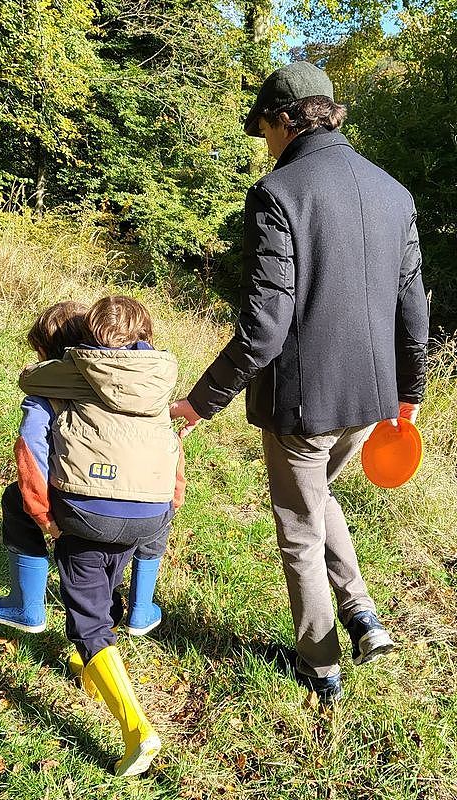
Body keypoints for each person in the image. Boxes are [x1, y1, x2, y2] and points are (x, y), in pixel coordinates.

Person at [170, 61, 429, 706]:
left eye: (264, 130)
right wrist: (409, 391)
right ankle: (363, 612)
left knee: (298, 525)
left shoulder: (279, 194)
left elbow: (265, 325)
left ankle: (320, 660)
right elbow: (413, 306)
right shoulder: (394, 191)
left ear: (286, 121)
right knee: (316, 497)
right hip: (370, 399)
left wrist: (202, 401)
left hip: (304, 405)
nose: (265, 143)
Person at [0, 296, 184, 775]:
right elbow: (171, 448)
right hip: (150, 513)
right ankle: (92, 664)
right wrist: (169, 505)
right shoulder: (149, 384)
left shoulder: (54, 386)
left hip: (87, 511)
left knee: (87, 618)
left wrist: (45, 516)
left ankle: (138, 729)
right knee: (102, 583)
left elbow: (31, 452)